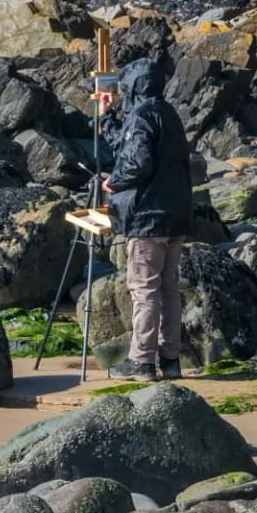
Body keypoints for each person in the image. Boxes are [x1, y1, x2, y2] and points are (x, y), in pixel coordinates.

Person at [99, 54, 194, 382]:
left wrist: (114, 182)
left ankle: (141, 361)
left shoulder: (141, 115)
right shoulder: (167, 113)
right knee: (168, 287)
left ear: (133, 87)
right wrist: (107, 116)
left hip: (148, 216)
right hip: (175, 214)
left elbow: (136, 163)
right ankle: (170, 360)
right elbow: (126, 146)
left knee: (144, 288)